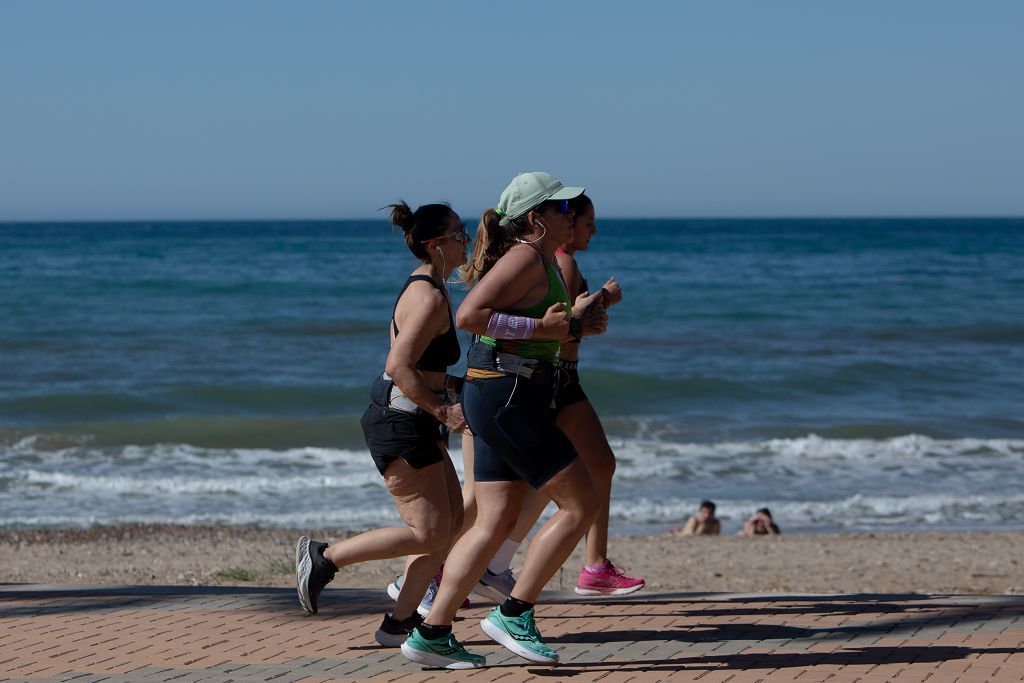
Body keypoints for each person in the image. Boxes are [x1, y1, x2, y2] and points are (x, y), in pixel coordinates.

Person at [400, 172, 606, 669]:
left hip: (499, 391)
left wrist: (577, 325)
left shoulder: (541, 261)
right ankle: (514, 613)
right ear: (536, 219)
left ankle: (433, 631)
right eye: (561, 209)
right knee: (582, 504)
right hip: (507, 395)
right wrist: (544, 326)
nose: (571, 215)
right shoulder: (523, 257)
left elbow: (528, 330)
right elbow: (472, 315)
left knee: (493, 521)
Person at [295, 201, 471, 648]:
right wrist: (442, 409)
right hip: (400, 423)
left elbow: (422, 364)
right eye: (459, 233)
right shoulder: (428, 295)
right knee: (429, 532)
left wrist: (456, 384)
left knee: (447, 529)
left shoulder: (432, 286)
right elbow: (399, 365)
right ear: (436, 244)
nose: (465, 239)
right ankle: (325, 558)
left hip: (411, 420)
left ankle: (398, 623)